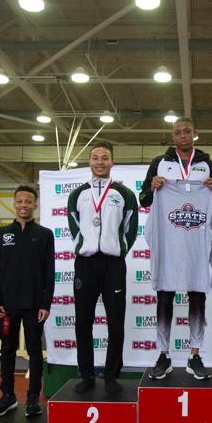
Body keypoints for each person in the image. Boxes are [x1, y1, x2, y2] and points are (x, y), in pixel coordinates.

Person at [140, 117, 212, 380]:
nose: (183, 136)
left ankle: (194, 355)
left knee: (197, 299)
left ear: (195, 134)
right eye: (178, 132)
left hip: (195, 249)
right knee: (164, 300)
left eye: (187, 131)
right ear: (172, 136)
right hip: (170, 248)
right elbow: (144, 200)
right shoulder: (159, 163)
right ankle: (163, 355)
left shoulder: (207, 165)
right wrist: (152, 188)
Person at [67, 142, 138, 394]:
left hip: (113, 265)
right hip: (85, 264)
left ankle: (111, 376)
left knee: (115, 322)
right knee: (82, 322)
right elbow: (74, 226)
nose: (100, 162)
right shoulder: (77, 194)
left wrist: (118, 249)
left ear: (112, 162)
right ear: (89, 162)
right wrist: (84, 245)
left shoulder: (125, 194)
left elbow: (131, 228)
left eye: (104, 158)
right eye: (95, 158)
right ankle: (86, 374)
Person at [0, 185, 54, 418]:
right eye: (19, 201)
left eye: (28, 201)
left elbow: (49, 272)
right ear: (14, 204)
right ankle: (7, 396)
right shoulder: (1, 234)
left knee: (35, 351)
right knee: (7, 351)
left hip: (34, 306)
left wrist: (45, 305)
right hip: (7, 306)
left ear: (35, 205)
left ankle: (33, 398)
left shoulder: (45, 234)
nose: (24, 205)